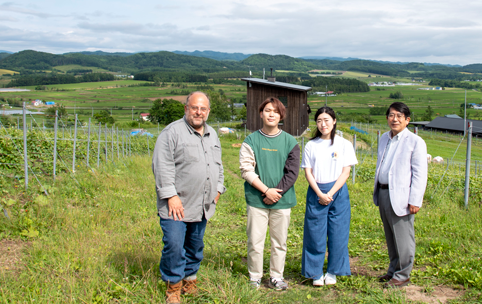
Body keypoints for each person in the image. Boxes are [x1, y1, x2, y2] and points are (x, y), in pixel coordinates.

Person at [152, 91, 225, 304]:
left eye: (203, 109)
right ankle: (173, 287)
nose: (198, 112)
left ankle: (190, 279)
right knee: (174, 245)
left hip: (203, 204)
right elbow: (162, 166)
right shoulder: (171, 133)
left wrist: (218, 190)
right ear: (186, 108)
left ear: (208, 112)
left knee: (195, 245)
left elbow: (218, 165)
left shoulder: (212, 134)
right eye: (194, 108)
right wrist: (171, 196)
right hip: (176, 205)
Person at [239, 97, 300, 291]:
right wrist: (266, 191)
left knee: (279, 242)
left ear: (281, 115)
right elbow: (246, 170)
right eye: (267, 110)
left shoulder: (290, 141)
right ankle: (254, 277)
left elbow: (292, 172)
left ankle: (276, 276)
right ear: (260, 114)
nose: (271, 114)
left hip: (281, 202)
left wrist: (276, 194)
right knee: (255, 242)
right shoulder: (251, 140)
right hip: (257, 200)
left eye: (275, 111)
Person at [373, 102, 428, 288]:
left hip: (402, 197)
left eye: (399, 116)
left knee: (403, 236)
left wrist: (415, 200)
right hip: (383, 192)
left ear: (407, 120)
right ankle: (393, 271)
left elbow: (420, 173)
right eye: (391, 115)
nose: (394, 119)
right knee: (390, 235)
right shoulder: (384, 139)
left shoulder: (415, 142)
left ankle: (403, 274)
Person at [301, 106, 357, 286]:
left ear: (334, 121)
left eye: (326, 120)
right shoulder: (311, 145)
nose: (323, 124)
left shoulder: (344, 144)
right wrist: (319, 193)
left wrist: (330, 194)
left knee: (338, 233)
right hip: (316, 192)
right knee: (314, 233)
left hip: (338, 192)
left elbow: (346, 172)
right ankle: (315, 272)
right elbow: (308, 172)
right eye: (319, 121)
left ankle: (333, 271)